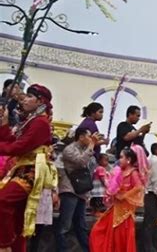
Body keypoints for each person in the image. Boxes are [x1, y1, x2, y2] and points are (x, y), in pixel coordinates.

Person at [0, 84, 57, 252]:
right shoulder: (31, 120)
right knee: (18, 219)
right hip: (21, 169)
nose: (24, 99)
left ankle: (4, 245)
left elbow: (19, 148)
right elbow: (12, 142)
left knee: (2, 201)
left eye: (29, 97)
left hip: (31, 172)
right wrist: (4, 124)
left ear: (40, 102)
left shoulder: (41, 123)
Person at [89, 146, 147, 252]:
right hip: (116, 207)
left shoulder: (133, 172)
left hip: (125, 211)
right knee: (97, 230)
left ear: (128, 160)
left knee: (120, 236)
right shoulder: (120, 171)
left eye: (121, 157)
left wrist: (124, 195)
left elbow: (139, 187)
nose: (119, 160)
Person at [56, 127, 97, 252]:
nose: (91, 139)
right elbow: (80, 161)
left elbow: (92, 165)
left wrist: (91, 147)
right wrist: (92, 145)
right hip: (69, 190)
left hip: (81, 191)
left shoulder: (86, 149)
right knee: (65, 225)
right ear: (81, 137)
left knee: (81, 225)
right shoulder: (69, 149)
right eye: (89, 136)